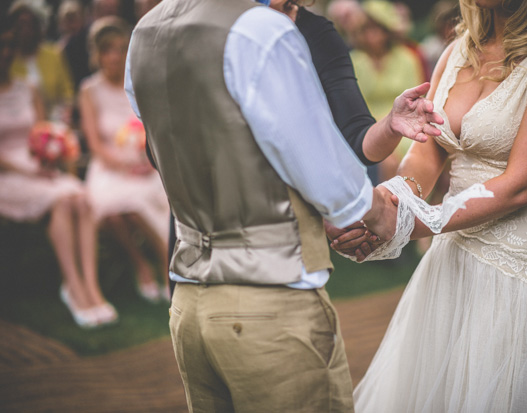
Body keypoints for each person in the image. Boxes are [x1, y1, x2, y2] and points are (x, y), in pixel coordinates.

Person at [125, 0, 442, 410]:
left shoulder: (147, 31)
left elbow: (162, 152)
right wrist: (388, 216)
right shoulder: (261, 31)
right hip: (269, 303)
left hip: (188, 301)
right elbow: (327, 173)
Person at [334, 0, 527, 411]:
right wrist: (388, 205)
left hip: (521, 273)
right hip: (451, 263)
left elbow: (519, 187)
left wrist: (407, 222)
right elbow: (427, 154)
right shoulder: (458, 49)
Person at [0, 18, 116, 329]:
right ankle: (75, 287)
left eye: (10, 45)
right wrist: (23, 167)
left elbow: (40, 136)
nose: (7, 52)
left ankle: (90, 287)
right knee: (65, 200)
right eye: (3, 45)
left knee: (82, 197)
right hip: (7, 176)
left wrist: (48, 158)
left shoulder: (29, 89)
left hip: (37, 170)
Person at [80, 17, 170, 303]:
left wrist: (147, 161)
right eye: (108, 49)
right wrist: (125, 166)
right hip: (109, 168)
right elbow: (95, 144)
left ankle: (163, 265)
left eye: (121, 49)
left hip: (144, 164)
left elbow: (155, 128)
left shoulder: (138, 84)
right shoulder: (89, 90)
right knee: (116, 211)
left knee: (137, 208)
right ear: (98, 54)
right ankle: (143, 265)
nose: (115, 56)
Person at [350, 0, 427, 182]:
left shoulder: (407, 58)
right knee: (387, 160)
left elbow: (417, 96)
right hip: (367, 125)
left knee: (417, 153)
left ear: (387, 31)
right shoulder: (353, 60)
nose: (372, 35)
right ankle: (390, 205)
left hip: (405, 121)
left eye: (377, 29)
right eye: (367, 29)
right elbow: (352, 103)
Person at [9, 0, 74, 123]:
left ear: (38, 27)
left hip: (55, 121)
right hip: (21, 123)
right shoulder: (8, 61)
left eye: (30, 24)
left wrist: (66, 110)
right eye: (20, 25)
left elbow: (67, 92)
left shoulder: (54, 54)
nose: (25, 30)